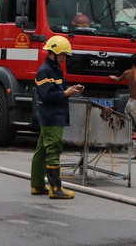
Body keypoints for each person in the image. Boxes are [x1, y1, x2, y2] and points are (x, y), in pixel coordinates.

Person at [30, 35, 84, 199]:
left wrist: (70, 89)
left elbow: (57, 88)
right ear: (53, 52)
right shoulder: (45, 71)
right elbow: (48, 95)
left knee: (42, 150)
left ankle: (37, 185)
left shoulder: (54, 69)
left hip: (53, 115)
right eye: (63, 55)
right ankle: (55, 188)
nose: (64, 58)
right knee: (53, 149)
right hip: (51, 117)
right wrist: (65, 93)